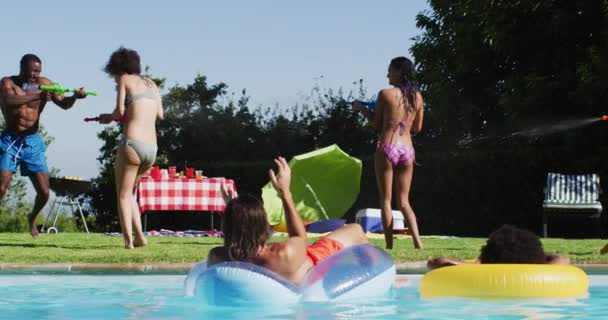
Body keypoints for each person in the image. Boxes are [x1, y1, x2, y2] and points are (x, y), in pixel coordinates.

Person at [208, 157, 370, 284]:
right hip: (314, 262)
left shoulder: (217, 257)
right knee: (355, 229)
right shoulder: (284, 253)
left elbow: (239, 236)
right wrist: (285, 192)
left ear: (227, 227)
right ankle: (374, 276)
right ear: (261, 225)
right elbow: (299, 236)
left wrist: (234, 210)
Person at [0, 54, 88, 238]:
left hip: (32, 142)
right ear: (22, 67)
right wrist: (38, 94)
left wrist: (74, 97)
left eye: (38, 71)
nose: (35, 75)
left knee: (44, 192)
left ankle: (31, 218)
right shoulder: (8, 82)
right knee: (2, 186)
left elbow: (64, 104)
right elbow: (8, 100)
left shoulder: (45, 83)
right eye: (32, 71)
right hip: (10, 140)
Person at [352, 57, 424, 250]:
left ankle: (390, 245)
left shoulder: (385, 94)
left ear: (399, 72)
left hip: (387, 147)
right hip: (408, 150)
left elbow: (376, 124)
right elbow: (418, 127)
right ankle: (418, 243)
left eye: (390, 71)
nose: (387, 75)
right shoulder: (417, 97)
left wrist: (361, 109)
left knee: (385, 200)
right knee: (404, 201)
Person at [99, 47, 163, 249]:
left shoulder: (124, 80)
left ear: (117, 67)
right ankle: (141, 238)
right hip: (151, 149)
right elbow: (160, 115)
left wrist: (108, 118)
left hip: (132, 144)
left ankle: (128, 242)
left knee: (123, 195)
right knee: (131, 194)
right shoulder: (152, 84)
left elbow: (119, 112)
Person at [427, 224, 571, 270]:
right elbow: (562, 258)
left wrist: (477, 264)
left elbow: (436, 262)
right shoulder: (546, 271)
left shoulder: (481, 269)